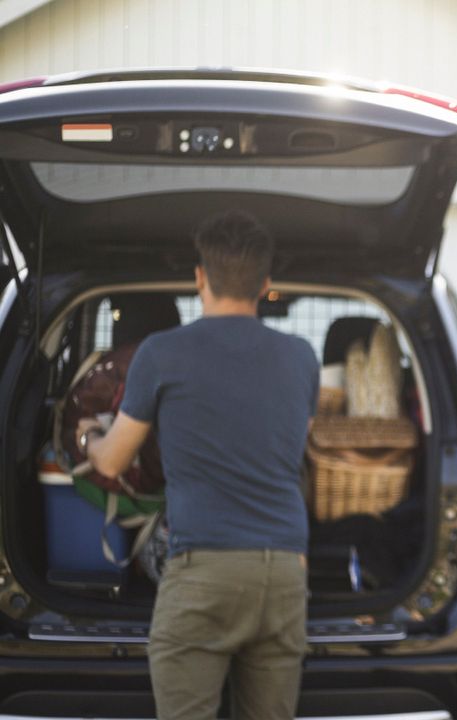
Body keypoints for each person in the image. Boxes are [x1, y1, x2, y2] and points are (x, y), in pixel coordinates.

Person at [77, 211, 318, 719]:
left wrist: (89, 435)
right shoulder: (301, 358)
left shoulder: (161, 353)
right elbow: (292, 448)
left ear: (199, 278)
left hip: (204, 570)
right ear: (266, 284)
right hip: (285, 573)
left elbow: (115, 460)